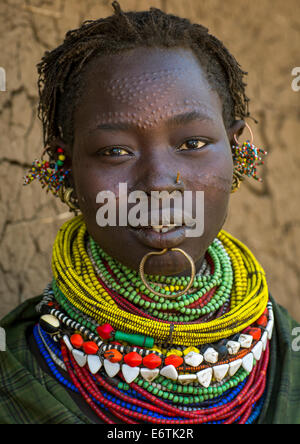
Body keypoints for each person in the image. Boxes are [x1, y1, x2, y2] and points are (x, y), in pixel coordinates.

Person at [0, 2, 299, 425]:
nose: (159, 183)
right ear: (65, 168)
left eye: (192, 144)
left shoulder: (289, 355)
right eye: (115, 151)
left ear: (235, 150)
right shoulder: (13, 375)